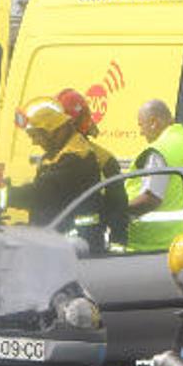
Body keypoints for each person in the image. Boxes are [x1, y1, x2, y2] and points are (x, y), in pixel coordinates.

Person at [6, 97, 103, 250]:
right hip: (60, 240)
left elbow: (43, 193)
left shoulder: (77, 157)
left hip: (77, 244)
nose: (34, 142)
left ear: (53, 131)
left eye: (36, 135)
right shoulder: (54, 155)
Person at [124, 100, 183, 252]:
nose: (141, 132)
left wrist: (120, 210)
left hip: (156, 244)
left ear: (153, 122)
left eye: (141, 125)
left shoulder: (160, 149)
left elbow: (151, 198)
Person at [55, 89, 129, 248]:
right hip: (61, 244)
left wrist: (116, 250)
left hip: (87, 246)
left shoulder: (102, 159)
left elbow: (119, 210)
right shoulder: (52, 158)